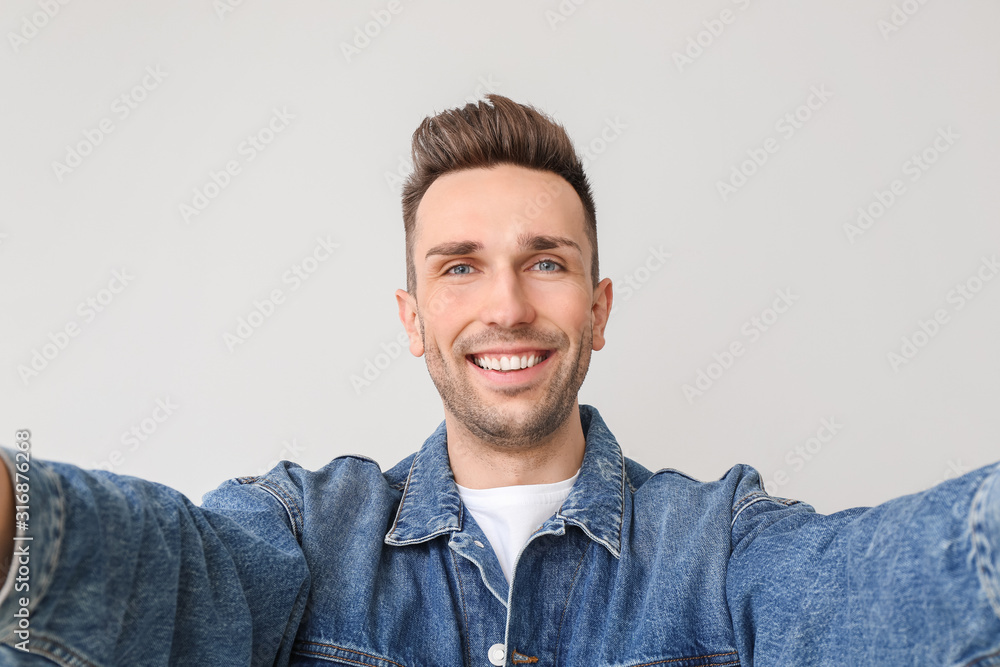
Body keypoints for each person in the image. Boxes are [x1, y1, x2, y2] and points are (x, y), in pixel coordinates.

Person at [1, 94, 998, 666]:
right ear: (412, 318)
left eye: (548, 262)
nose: (509, 306)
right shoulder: (307, 528)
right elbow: (163, 582)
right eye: (459, 265)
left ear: (598, 309)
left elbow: (867, 590)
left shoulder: (719, 539)